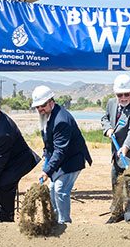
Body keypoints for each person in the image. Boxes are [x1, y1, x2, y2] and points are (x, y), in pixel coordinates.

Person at [0, 91, 40, 222]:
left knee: (4, 186)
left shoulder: (4, 131)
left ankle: (5, 221)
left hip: (16, 163)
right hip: (1, 159)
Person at [33, 85, 92, 224]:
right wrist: (46, 163)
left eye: (43, 105)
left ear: (51, 102)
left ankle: (65, 223)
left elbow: (60, 150)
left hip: (72, 159)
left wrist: (47, 171)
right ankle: (55, 221)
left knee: (60, 189)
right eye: (37, 107)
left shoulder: (61, 120)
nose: (40, 109)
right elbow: (49, 145)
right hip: (61, 159)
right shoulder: (47, 117)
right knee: (52, 189)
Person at [101, 74, 130, 223]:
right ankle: (116, 214)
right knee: (116, 183)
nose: (123, 98)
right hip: (117, 154)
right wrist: (108, 128)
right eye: (119, 95)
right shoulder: (111, 103)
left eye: (126, 94)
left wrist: (126, 147)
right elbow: (105, 118)